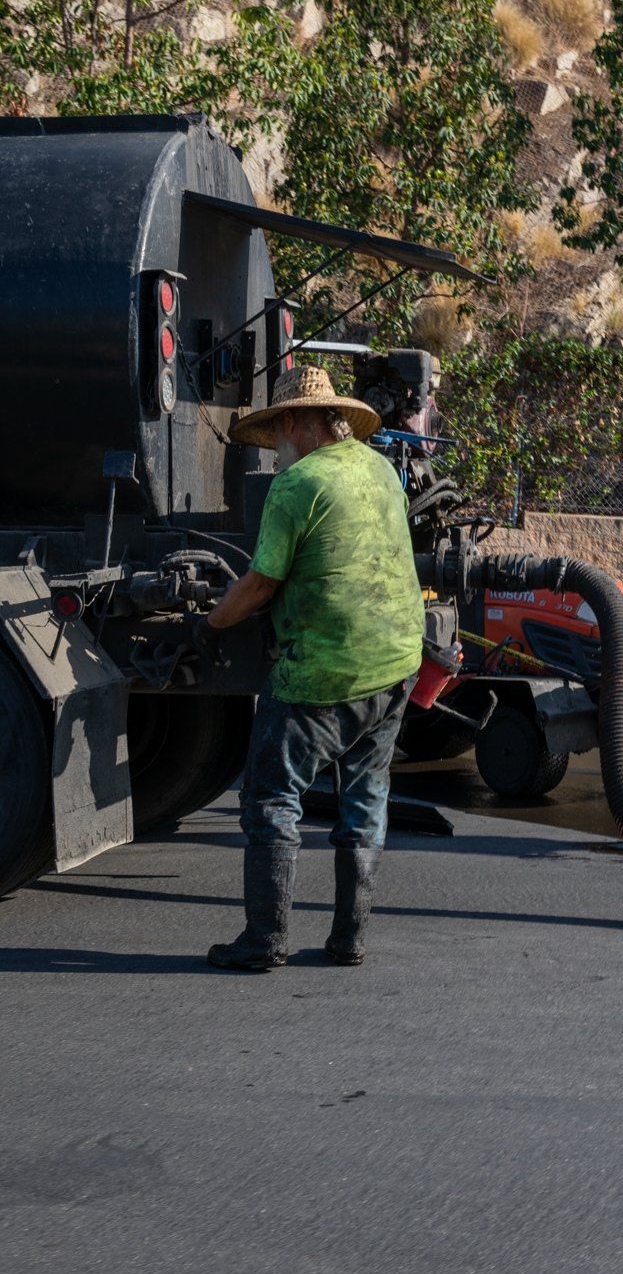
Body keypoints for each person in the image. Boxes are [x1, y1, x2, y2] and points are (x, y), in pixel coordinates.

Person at [201, 364, 425, 972]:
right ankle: (349, 938)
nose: (275, 449)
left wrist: (210, 623)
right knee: (365, 796)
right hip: (398, 661)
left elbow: (259, 586)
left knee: (271, 798)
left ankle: (263, 940)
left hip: (324, 672)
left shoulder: (296, 486)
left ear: (297, 423)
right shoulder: (380, 466)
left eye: (276, 434)